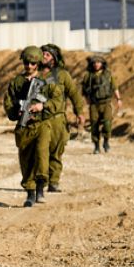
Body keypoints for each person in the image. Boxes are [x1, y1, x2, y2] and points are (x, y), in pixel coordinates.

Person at [2, 46, 63, 207]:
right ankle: (30, 193)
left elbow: (58, 101)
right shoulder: (17, 82)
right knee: (26, 159)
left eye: (32, 63)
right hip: (25, 126)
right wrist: (17, 112)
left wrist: (43, 106)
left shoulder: (47, 81)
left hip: (42, 124)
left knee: (42, 155)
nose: (29, 66)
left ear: (37, 63)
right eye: (26, 63)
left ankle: (41, 188)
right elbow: (8, 102)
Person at [40, 44, 85, 191]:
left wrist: (79, 112)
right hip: (39, 118)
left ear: (53, 58)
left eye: (47, 54)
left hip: (58, 119)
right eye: (42, 54)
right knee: (40, 151)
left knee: (56, 151)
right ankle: (41, 181)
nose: (43, 56)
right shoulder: (34, 74)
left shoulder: (62, 75)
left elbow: (73, 94)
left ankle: (54, 181)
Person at [81, 54, 121, 154]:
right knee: (94, 125)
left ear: (102, 64)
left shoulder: (108, 75)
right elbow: (84, 90)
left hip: (106, 103)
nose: (96, 64)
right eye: (94, 63)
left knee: (107, 124)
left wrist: (118, 99)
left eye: (98, 62)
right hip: (94, 104)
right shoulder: (88, 76)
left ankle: (106, 141)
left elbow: (115, 87)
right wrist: (87, 100)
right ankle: (96, 146)